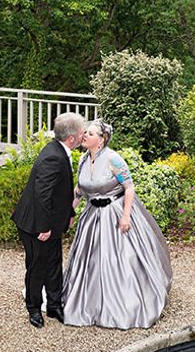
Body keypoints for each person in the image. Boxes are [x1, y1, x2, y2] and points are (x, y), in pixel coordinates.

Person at [63, 120, 172, 329]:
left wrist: (126, 216)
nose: (84, 135)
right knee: (90, 261)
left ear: (101, 140)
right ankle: (89, 304)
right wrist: (69, 211)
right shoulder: (83, 160)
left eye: (90, 133)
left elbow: (129, 188)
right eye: (85, 132)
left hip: (114, 214)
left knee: (118, 260)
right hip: (91, 216)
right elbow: (80, 189)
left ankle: (123, 305)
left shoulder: (114, 159)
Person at [11, 112, 86, 328]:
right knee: (38, 267)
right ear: (71, 138)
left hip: (51, 223)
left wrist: (68, 215)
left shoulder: (61, 150)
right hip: (36, 225)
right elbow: (42, 194)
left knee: (54, 264)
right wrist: (44, 227)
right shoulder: (53, 156)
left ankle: (54, 306)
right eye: (81, 132)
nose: (83, 136)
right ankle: (34, 308)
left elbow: (60, 193)